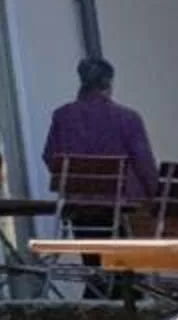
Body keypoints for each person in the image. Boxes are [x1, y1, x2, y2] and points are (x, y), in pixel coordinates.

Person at [43, 56, 156, 232]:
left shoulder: (62, 116)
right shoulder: (128, 118)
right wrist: (155, 196)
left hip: (79, 207)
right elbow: (144, 164)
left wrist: (76, 183)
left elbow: (50, 157)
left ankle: (91, 260)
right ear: (108, 84)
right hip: (121, 206)